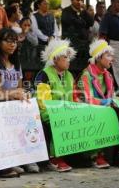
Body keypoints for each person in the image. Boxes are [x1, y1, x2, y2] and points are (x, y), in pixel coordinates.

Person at [77, 39, 119, 168]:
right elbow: (86, 99)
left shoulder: (108, 76)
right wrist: (106, 102)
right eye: (108, 55)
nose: (112, 58)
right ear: (99, 57)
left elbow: (112, 97)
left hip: (105, 110)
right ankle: (98, 156)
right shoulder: (86, 75)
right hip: (89, 111)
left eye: (112, 55)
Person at [0, 28, 40, 174]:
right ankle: (13, 159)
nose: (12, 44)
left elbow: (20, 88)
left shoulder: (16, 64)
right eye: (8, 41)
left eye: (15, 41)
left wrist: (23, 95)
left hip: (14, 105)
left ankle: (28, 157)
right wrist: (14, 94)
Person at [35, 39, 76, 172]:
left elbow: (73, 97)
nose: (68, 60)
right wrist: (58, 114)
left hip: (65, 111)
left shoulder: (69, 75)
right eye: (65, 57)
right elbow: (43, 102)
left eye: (69, 57)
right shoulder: (44, 74)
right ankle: (54, 157)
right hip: (48, 113)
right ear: (55, 59)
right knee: (59, 121)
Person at [61, 0, 94, 77]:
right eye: (77, 0)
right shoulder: (66, 11)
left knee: (84, 68)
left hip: (83, 46)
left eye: (81, 0)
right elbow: (72, 22)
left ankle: (83, 85)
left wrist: (85, 11)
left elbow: (91, 22)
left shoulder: (83, 12)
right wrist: (82, 21)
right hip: (72, 45)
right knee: (72, 68)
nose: (80, 2)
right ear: (72, 1)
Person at [31, 0, 59, 72]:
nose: (47, 5)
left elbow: (56, 29)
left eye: (48, 4)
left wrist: (53, 37)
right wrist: (46, 38)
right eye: (45, 4)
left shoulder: (51, 16)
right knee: (41, 65)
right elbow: (35, 30)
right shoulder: (33, 16)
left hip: (52, 44)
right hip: (40, 45)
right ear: (39, 5)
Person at [18, 17, 38, 83]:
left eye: (29, 25)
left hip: (31, 61)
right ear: (21, 25)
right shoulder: (18, 35)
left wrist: (27, 34)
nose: (27, 27)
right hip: (21, 61)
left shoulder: (32, 35)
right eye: (25, 25)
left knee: (30, 80)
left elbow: (35, 43)